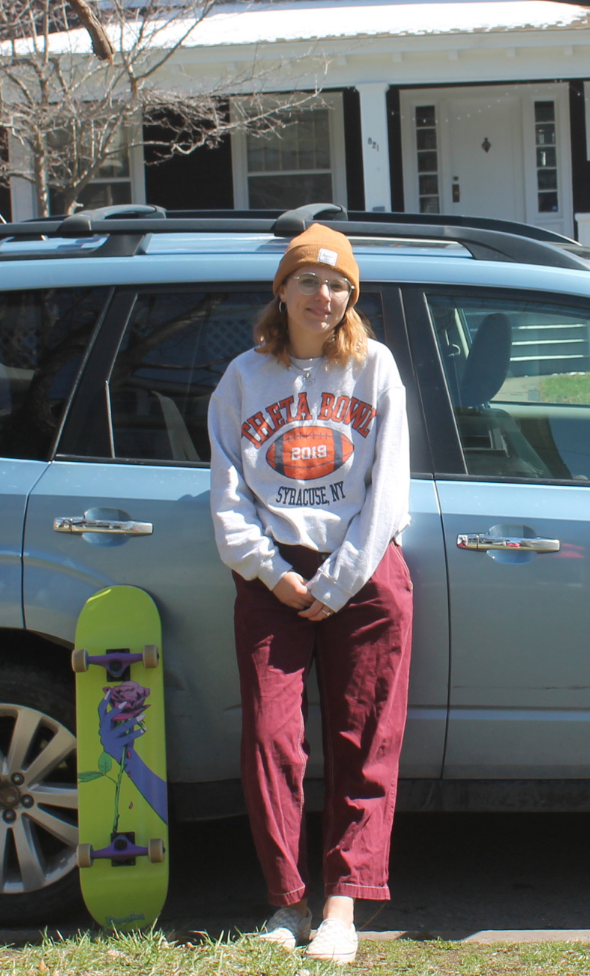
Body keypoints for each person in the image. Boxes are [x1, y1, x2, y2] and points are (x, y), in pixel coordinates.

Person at [206, 224, 412, 965]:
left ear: (350, 297)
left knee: (365, 740)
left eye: (337, 285)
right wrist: (275, 573)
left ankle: (342, 908)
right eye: (308, 281)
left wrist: (339, 578)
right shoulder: (242, 380)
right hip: (274, 580)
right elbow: (228, 500)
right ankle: (286, 902)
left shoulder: (375, 368)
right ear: (282, 290)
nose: (322, 295)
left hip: (363, 572)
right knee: (271, 740)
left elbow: (389, 490)